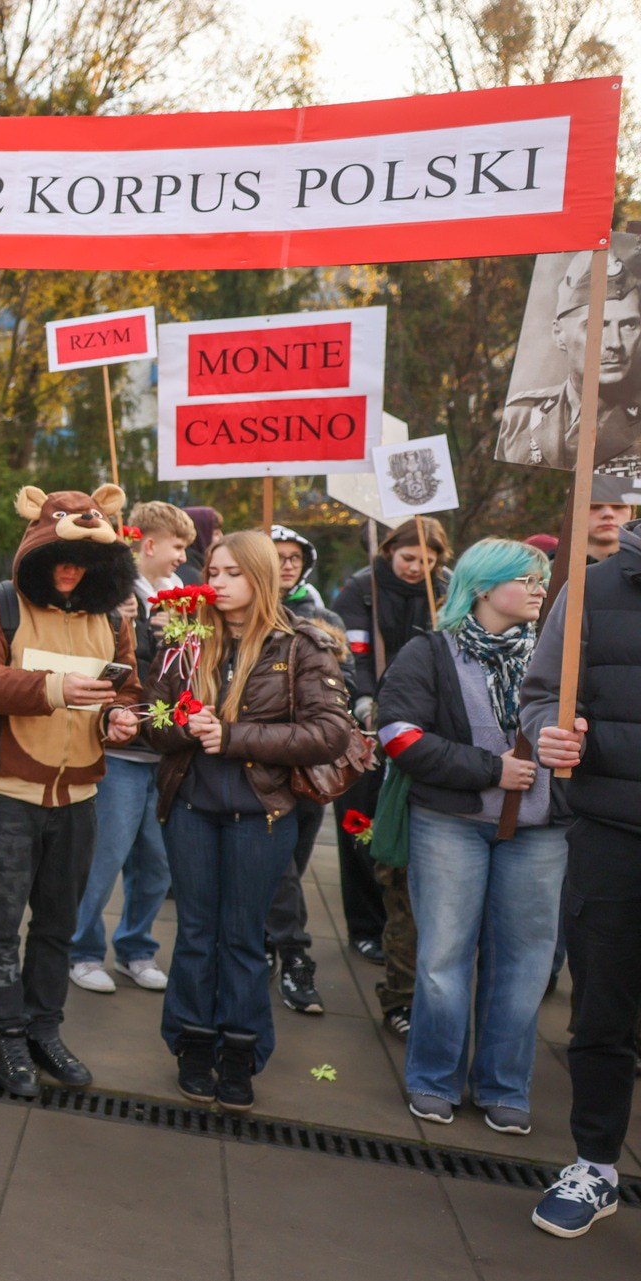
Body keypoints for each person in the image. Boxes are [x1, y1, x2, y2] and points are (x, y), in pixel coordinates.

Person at [145, 531, 355, 1112]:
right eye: (212, 571)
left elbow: (330, 732)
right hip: (190, 809)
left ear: (260, 577)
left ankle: (240, 1051)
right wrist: (181, 726)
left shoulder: (301, 645)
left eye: (232, 573)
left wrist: (233, 736)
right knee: (195, 933)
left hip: (262, 815)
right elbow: (153, 720)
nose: (216, 582)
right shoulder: (188, 637)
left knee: (242, 937)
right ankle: (191, 1043)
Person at [0, 484, 139, 1098]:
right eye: (60, 555)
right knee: (1, 927)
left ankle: (44, 1029)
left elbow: (128, 688)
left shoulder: (112, 618)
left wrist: (121, 717)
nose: (70, 568)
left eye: (84, 559)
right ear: (36, 547)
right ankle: (6, 1034)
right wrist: (54, 689)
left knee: (60, 925)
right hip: (8, 796)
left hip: (79, 798)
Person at [375, 539, 561, 1135]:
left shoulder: (558, 659)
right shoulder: (430, 652)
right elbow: (398, 734)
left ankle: (503, 1084)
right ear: (482, 586)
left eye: (541, 580)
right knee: (444, 956)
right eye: (525, 579)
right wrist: (490, 770)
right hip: (450, 824)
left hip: (540, 831)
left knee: (525, 964)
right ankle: (434, 1078)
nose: (539, 590)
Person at [522, 511, 641, 1238]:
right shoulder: (592, 589)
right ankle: (595, 1165)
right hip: (612, 834)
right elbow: (542, 693)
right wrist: (550, 731)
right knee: (602, 1010)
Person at [332, 516, 450, 1038]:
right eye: (408, 559)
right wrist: (363, 698)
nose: (416, 568)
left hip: (420, 724)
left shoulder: (444, 590)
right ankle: (365, 923)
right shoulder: (362, 588)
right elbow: (351, 652)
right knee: (359, 823)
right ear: (389, 551)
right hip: (368, 720)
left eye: (427, 561)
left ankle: (397, 928)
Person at [69, 499, 191, 997]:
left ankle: (136, 949)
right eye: (178, 546)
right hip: (122, 753)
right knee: (105, 859)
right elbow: (105, 666)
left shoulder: (183, 599)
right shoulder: (112, 594)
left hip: (165, 752)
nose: (183, 557)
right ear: (150, 544)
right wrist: (128, 626)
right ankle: (82, 950)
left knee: (156, 863)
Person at [266, 525, 347, 1017]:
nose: (286, 564)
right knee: (276, 867)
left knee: (292, 865)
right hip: (256, 766)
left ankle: (275, 942)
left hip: (307, 769)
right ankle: (292, 953)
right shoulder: (235, 615)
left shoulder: (324, 619)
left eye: (294, 557)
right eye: (276, 556)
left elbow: (341, 687)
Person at [499, 243, 641, 473]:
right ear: (559, 334)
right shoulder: (519, 417)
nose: (615, 343)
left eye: (629, 325)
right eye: (597, 326)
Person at [584, 473, 639, 563]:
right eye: (595, 506)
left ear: (632, 515)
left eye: (618, 506)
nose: (608, 514)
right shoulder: (558, 567)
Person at [179, 506, 222, 585]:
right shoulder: (193, 578)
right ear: (200, 536)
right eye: (216, 534)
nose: (221, 537)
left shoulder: (195, 566)